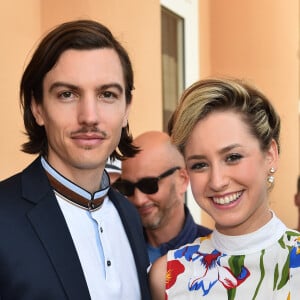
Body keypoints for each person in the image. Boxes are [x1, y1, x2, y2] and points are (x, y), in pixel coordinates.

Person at [0, 19, 151, 300]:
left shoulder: (129, 214)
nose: (89, 116)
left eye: (107, 94)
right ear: (38, 108)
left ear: (126, 108)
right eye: (67, 94)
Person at [149, 78, 300, 299]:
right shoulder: (169, 276)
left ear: (270, 155)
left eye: (233, 157)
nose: (217, 182)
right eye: (199, 165)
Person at [114, 131, 212, 263]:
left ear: (181, 180)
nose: (139, 200)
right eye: (127, 187)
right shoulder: (116, 251)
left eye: (149, 185)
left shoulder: (214, 254)